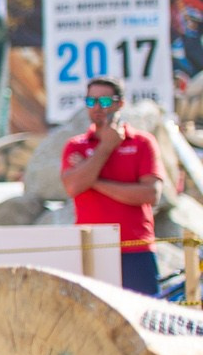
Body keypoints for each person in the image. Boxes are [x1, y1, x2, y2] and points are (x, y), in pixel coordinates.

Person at [59, 77, 164, 294]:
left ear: (120, 103)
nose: (97, 108)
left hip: (136, 248)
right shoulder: (75, 146)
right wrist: (106, 147)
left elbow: (151, 193)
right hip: (91, 249)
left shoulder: (142, 142)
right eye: (91, 101)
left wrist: (93, 181)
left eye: (105, 101)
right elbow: (73, 187)